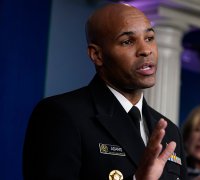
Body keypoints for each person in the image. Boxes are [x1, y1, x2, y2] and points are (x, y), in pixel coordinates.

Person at [23, 3, 187, 180]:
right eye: (127, 41)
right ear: (97, 55)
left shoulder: (170, 131)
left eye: (149, 38)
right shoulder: (61, 115)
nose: (146, 50)